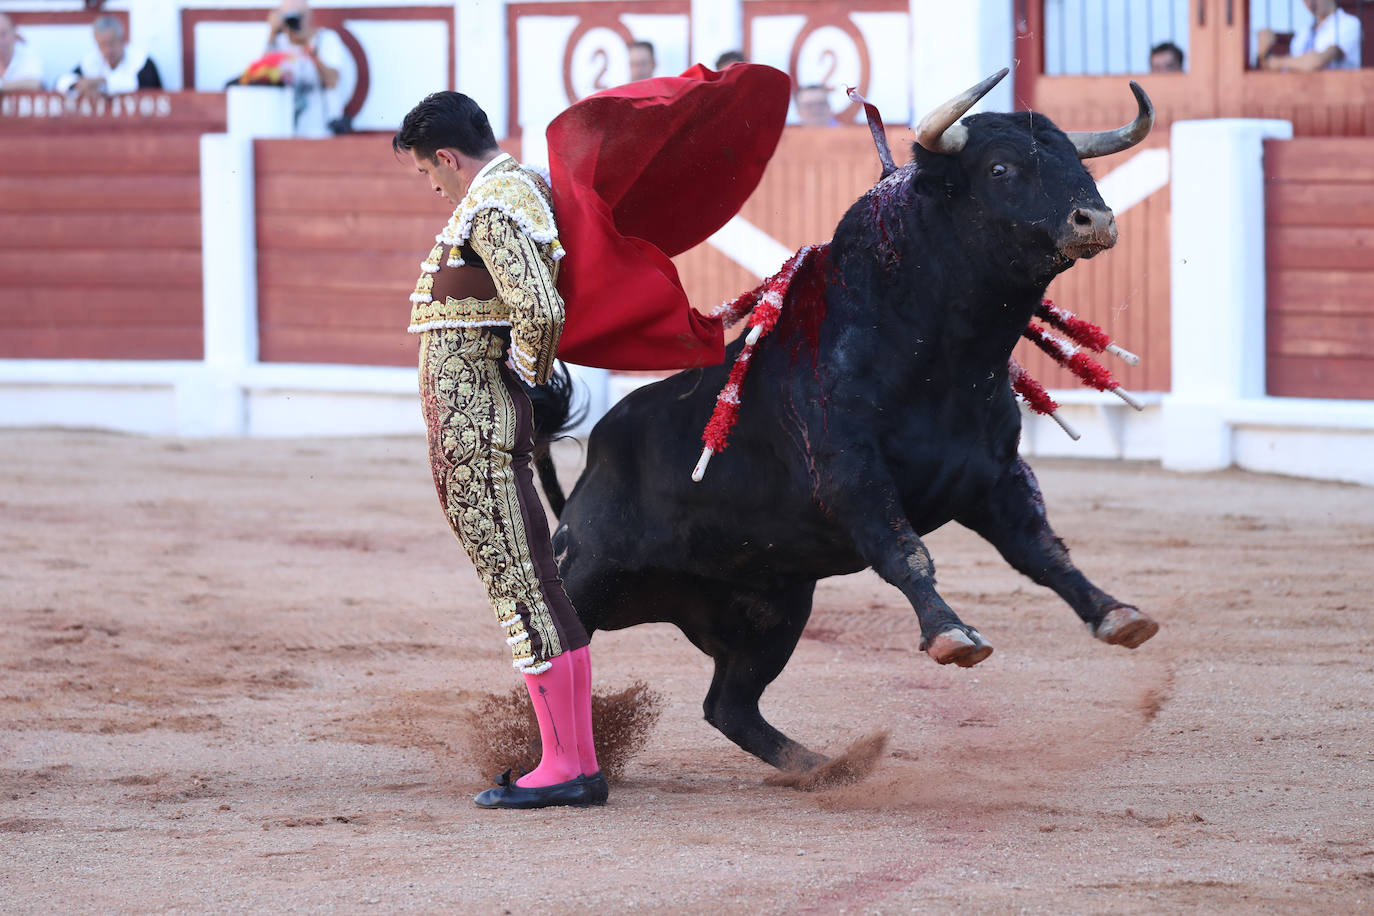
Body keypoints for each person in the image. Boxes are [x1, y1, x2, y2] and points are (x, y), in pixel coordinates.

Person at [394, 92, 607, 809]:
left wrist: (525, 373)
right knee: (536, 586)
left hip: (479, 435)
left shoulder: (491, 206)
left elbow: (540, 310)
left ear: (448, 157)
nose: (434, 186)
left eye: (430, 172)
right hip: (484, 430)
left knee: (523, 594)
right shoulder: (515, 194)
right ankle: (570, 758)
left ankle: (566, 768)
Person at [262, 0, 351, 136]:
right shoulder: (278, 43)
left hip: (322, 132)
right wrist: (272, 33)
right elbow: (261, 78)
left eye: (299, 15)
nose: (295, 21)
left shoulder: (326, 39)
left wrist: (311, 53)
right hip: (284, 132)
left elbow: (333, 81)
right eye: (289, 16)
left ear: (309, 16)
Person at [54, 15, 160, 101]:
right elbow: (61, 81)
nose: (108, 50)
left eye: (112, 43)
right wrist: (78, 84)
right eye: (102, 45)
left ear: (122, 39)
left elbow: (145, 84)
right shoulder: (92, 61)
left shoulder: (141, 61)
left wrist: (100, 82)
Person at [1258, 0, 1362, 71]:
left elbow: (1315, 62)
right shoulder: (1303, 33)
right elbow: (1288, 68)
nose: (1308, 1)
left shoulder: (1349, 24)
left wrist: (1276, 62)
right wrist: (1264, 52)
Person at [0, 12, 44, 92]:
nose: (0, 41)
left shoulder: (26, 52)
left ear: (14, 33)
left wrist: (2, 86)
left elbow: (35, 82)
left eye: (3, 34)